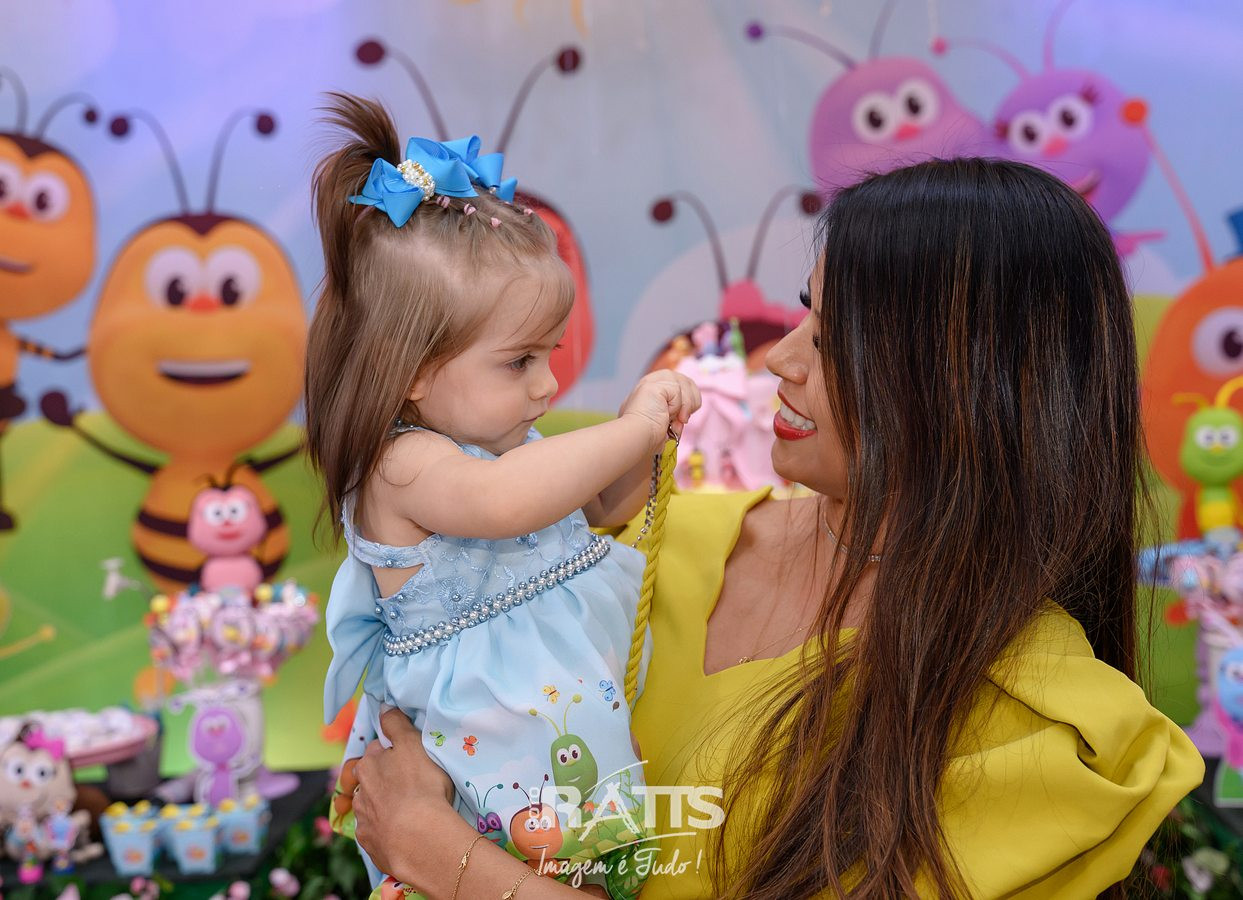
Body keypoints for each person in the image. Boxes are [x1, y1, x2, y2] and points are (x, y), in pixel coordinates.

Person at [348, 158, 1204, 898]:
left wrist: (439, 853)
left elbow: (429, 830)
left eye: (831, 342)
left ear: (964, 389)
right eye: (804, 313)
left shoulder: (1032, 714)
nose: (782, 359)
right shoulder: (647, 547)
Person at [304, 93, 700, 899]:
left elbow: (597, 512)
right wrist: (629, 427)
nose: (547, 385)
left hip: (554, 742)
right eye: (519, 361)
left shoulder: (502, 447)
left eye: (550, 354)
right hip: (481, 754)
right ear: (414, 371)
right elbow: (502, 507)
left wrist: (649, 443)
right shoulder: (405, 466)